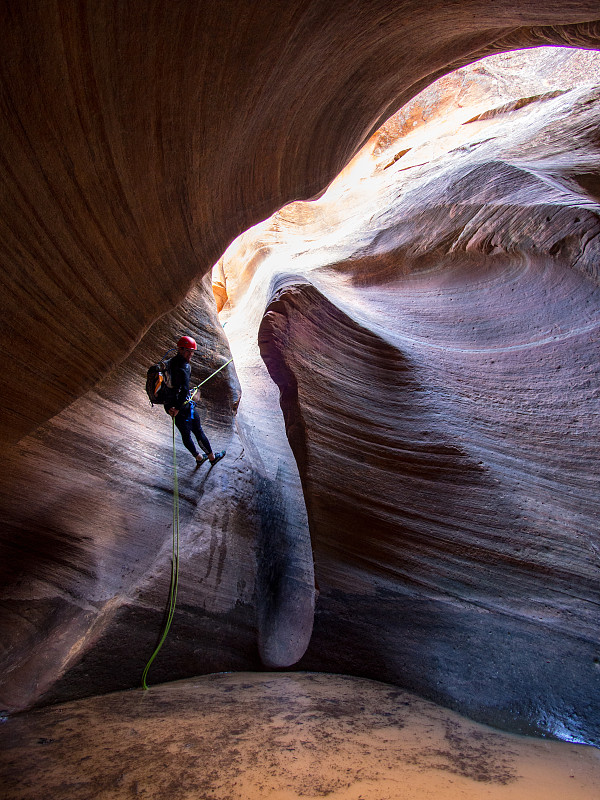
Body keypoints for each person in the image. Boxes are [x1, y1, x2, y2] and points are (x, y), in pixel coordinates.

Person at [164, 335, 226, 467]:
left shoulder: (170, 362)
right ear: (180, 349)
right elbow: (184, 390)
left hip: (171, 406)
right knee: (198, 431)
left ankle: (198, 458)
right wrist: (179, 407)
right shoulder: (184, 367)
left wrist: (171, 407)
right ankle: (212, 458)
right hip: (183, 408)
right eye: (188, 351)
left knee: (185, 435)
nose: (191, 354)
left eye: (192, 351)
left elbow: (171, 386)